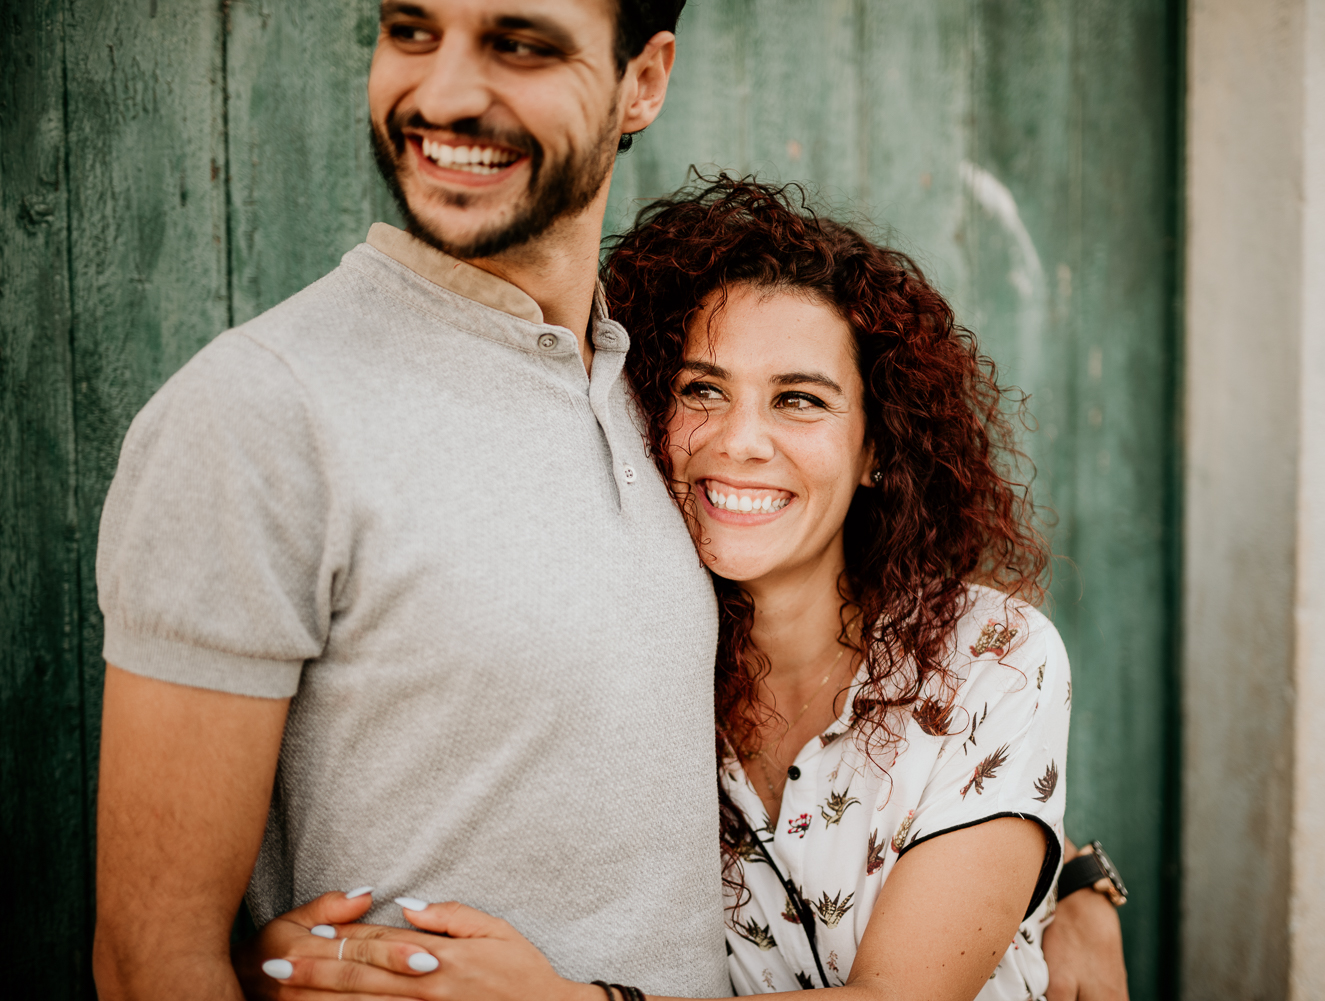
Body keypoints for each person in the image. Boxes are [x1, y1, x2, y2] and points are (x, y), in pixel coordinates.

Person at [93, 0, 1126, 997]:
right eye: (410, 28)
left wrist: (1064, 874)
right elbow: (152, 960)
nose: (444, 90)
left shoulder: (643, 392)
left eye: (522, 44)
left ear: (644, 81)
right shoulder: (257, 412)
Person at [239, 177, 1115, 1001]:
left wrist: (1070, 876)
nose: (739, 441)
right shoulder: (634, 647)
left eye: (799, 400)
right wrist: (288, 964)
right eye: (703, 389)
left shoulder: (991, 654)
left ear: (878, 447)